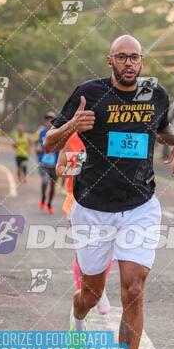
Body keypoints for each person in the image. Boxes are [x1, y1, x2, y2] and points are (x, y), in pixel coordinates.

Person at [44, 34, 174, 349]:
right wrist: (72, 125)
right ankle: (77, 320)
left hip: (140, 206)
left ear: (141, 61)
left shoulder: (154, 93)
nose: (129, 63)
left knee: (133, 289)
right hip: (92, 207)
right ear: (110, 60)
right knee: (91, 294)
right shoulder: (88, 94)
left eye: (135, 58)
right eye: (122, 57)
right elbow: (49, 144)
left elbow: (161, 128)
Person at [56, 132, 111, 316]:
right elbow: (60, 169)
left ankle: (97, 290)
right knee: (83, 250)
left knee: (108, 248)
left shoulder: (111, 131)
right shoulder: (71, 135)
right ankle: (89, 295)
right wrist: (86, 162)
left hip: (107, 200)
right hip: (77, 200)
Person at [35, 112, 58, 214]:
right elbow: (39, 145)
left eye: (51, 120)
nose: (49, 121)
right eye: (47, 119)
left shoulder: (58, 132)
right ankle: (43, 197)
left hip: (54, 163)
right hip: (44, 162)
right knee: (44, 181)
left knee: (53, 185)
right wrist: (38, 151)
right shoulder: (42, 132)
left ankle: (49, 203)